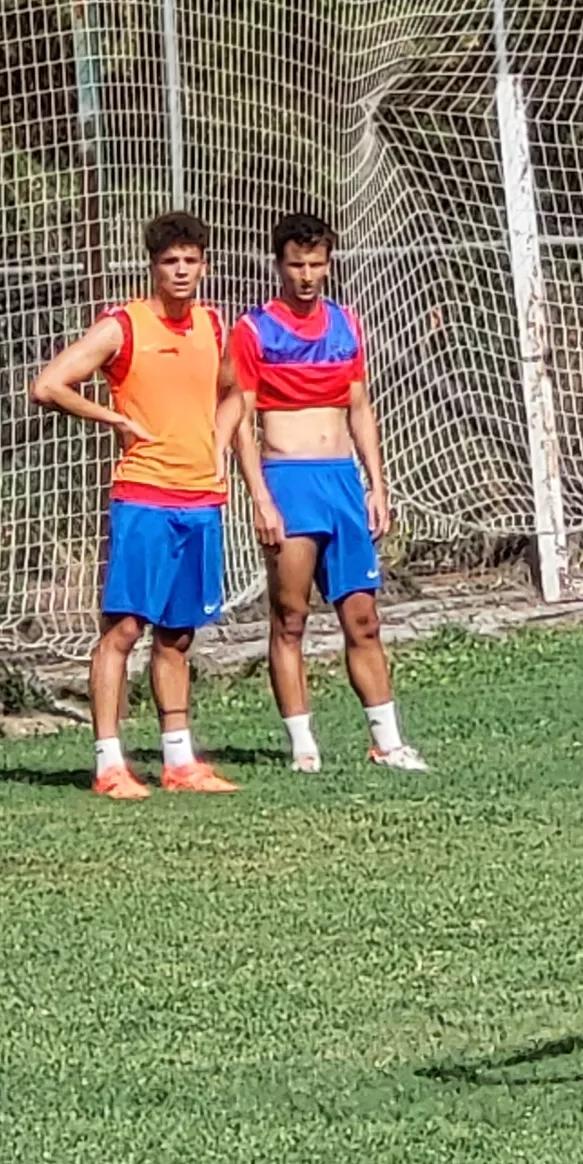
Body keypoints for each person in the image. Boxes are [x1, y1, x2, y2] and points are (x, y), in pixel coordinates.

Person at [28, 211, 244, 798]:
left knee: (177, 635)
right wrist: (114, 417)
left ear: (204, 265)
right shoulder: (125, 325)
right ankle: (108, 765)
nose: (181, 271)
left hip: (201, 498)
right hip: (144, 497)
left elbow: (235, 392)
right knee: (124, 629)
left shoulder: (213, 324)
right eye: (170, 261)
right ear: (153, 266)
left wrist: (218, 446)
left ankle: (179, 763)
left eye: (190, 261)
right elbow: (48, 384)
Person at [227, 212, 425, 773]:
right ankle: (302, 746)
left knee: (363, 618)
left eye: (316, 264)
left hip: (342, 481)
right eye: (296, 265)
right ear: (278, 265)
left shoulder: (348, 324)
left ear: (330, 264)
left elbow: (359, 407)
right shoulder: (253, 329)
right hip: (290, 484)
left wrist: (377, 485)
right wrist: (260, 497)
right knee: (290, 618)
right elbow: (240, 417)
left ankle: (387, 742)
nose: (307, 276)